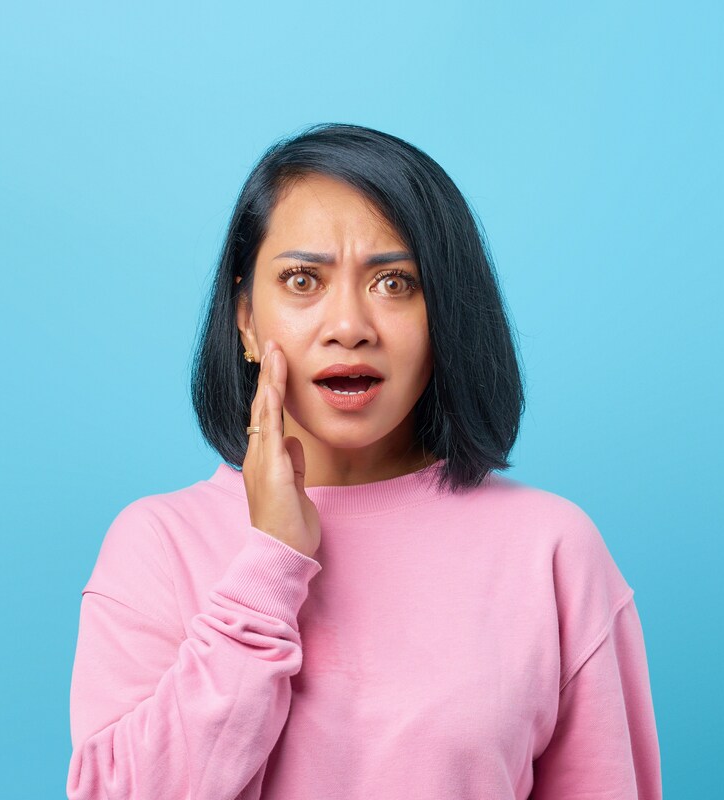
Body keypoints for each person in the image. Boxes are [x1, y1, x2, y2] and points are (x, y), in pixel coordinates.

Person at [65, 123, 662, 799]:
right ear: (246, 318)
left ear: (446, 315)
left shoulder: (551, 550)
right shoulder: (156, 546)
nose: (349, 324)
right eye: (301, 279)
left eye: (395, 283)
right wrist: (270, 566)